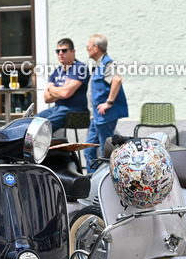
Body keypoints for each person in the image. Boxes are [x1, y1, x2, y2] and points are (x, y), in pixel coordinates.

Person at [85, 33, 128, 169]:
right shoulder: (99, 64)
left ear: (96, 48)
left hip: (104, 117)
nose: (87, 49)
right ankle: (92, 179)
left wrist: (108, 103)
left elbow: (117, 79)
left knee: (107, 152)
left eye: (89, 46)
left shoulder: (107, 63)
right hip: (96, 117)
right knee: (89, 150)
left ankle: (108, 181)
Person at [41, 38, 90, 133]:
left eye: (64, 50)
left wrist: (52, 89)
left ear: (73, 51)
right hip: (57, 108)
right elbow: (46, 98)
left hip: (75, 110)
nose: (60, 53)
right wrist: (61, 89)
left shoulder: (79, 68)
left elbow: (65, 94)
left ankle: (46, 146)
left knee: (43, 127)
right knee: (32, 122)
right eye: (57, 51)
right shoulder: (57, 71)